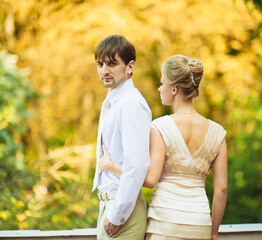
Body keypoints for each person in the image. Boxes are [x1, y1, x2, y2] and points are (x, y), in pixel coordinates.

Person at [100, 54, 228, 239]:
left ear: (174, 89)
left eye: (162, 84)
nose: (160, 89)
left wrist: (109, 165)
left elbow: (150, 180)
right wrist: (214, 232)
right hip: (199, 221)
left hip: (165, 220)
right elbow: (221, 189)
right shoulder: (218, 133)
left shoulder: (160, 127)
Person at [92, 34, 151, 239]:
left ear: (130, 66)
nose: (104, 70)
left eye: (112, 63)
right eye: (100, 64)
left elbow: (137, 166)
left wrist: (117, 215)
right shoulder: (115, 100)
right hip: (110, 204)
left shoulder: (130, 104)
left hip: (122, 211)